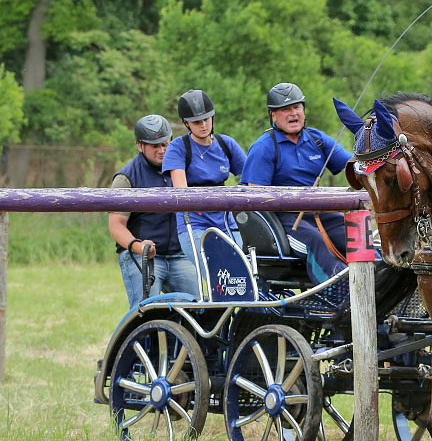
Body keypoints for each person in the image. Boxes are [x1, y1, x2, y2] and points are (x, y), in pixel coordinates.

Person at [240, 82, 352, 284]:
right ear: (273, 115)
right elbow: (254, 198)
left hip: (321, 214)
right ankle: (340, 290)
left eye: (296, 107)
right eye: (285, 109)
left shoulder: (317, 139)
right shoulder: (264, 147)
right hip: (288, 223)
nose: (293, 113)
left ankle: (380, 283)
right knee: (316, 242)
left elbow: (353, 167)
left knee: (353, 233)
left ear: (303, 110)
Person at [108, 114, 200, 307]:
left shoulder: (182, 170)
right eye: (155, 146)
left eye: (166, 144)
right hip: (143, 255)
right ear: (140, 146)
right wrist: (138, 246)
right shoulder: (126, 178)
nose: (162, 150)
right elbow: (116, 227)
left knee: (198, 310)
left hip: (180, 254)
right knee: (147, 312)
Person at [162, 89, 246, 272]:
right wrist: (199, 202)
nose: (203, 125)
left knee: (242, 273)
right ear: (186, 123)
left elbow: (249, 179)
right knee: (217, 274)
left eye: (206, 119)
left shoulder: (226, 144)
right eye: (196, 122)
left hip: (226, 222)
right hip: (194, 223)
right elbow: (181, 191)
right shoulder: (178, 148)